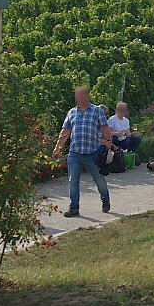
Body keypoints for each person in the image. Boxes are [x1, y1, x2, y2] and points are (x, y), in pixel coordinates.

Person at [55, 86, 114, 217]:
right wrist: (58, 147)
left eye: (81, 95)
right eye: (77, 95)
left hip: (92, 153)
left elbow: (104, 128)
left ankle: (105, 199)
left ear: (87, 96)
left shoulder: (97, 111)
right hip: (75, 152)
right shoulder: (71, 112)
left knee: (99, 179)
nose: (78, 97)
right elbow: (65, 131)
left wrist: (108, 141)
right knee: (73, 181)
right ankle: (74, 207)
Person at [98, 101, 142, 171]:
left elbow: (128, 133)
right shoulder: (112, 120)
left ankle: (129, 153)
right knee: (126, 141)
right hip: (115, 137)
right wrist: (117, 133)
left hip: (123, 137)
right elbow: (107, 133)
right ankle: (121, 154)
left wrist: (132, 134)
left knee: (137, 139)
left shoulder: (126, 120)